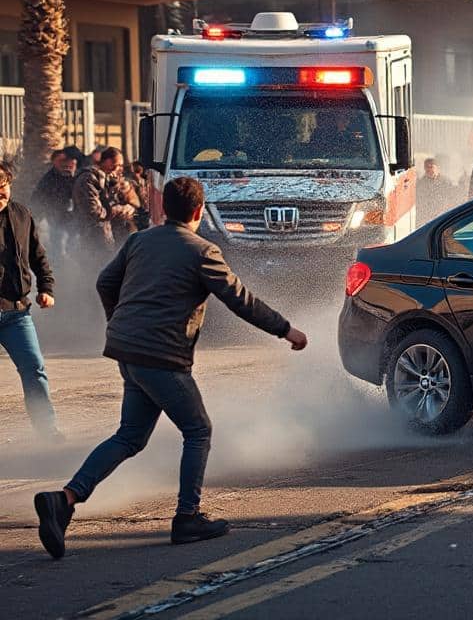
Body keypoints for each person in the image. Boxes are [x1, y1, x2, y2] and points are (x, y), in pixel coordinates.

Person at [33, 176, 308, 559]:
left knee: (130, 436)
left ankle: (64, 499)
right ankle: (187, 517)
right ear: (198, 211)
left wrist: (120, 321)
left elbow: (104, 282)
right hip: (161, 356)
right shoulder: (202, 250)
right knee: (198, 430)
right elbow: (239, 299)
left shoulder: (138, 240)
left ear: (164, 209)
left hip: (127, 351)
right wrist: (286, 329)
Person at [0, 166, 61, 442]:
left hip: (17, 313)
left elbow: (38, 257)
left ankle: (47, 432)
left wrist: (46, 287)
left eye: (4, 185)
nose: (1, 192)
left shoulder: (22, 215)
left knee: (34, 369)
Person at [73, 148, 135, 253]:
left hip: (103, 238)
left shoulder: (105, 179)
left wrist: (115, 188)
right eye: (118, 164)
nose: (119, 169)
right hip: (90, 241)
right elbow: (94, 211)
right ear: (108, 162)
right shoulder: (88, 179)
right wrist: (119, 210)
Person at [31, 149, 76, 242]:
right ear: (54, 162)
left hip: (66, 216)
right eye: (60, 161)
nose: (63, 163)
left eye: (64, 160)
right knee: (58, 242)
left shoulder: (66, 175)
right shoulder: (49, 179)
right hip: (53, 217)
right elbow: (38, 198)